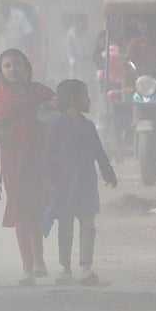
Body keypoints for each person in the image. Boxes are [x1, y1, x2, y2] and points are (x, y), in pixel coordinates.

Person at [0, 48, 56, 285]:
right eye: (7, 66)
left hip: (41, 160)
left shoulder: (41, 92)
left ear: (26, 68)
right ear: (0, 70)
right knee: (21, 212)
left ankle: (39, 257)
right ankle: (28, 268)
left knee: (38, 210)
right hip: (13, 164)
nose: (12, 69)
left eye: (16, 64)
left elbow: (60, 113)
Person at [42, 79, 117, 286]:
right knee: (65, 229)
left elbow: (99, 153)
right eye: (85, 95)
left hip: (86, 186)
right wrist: (49, 184)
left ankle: (86, 267)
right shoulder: (57, 127)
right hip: (64, 187)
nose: (89, 100)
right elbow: (48, 158)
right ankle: (65, 268)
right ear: (73, 100)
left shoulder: (89, 126)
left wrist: (108, 173)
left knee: (88, 226)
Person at [66, 13, 96, 83]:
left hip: (88, 64)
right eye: (79, 23)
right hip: (76, 64)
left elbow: (93, 52)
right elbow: (70, 53)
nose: (81, 26)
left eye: (83, 24)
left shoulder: (90, 37)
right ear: (75, 24)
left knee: (88, 84)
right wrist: (74, 63)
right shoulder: (70, 36)